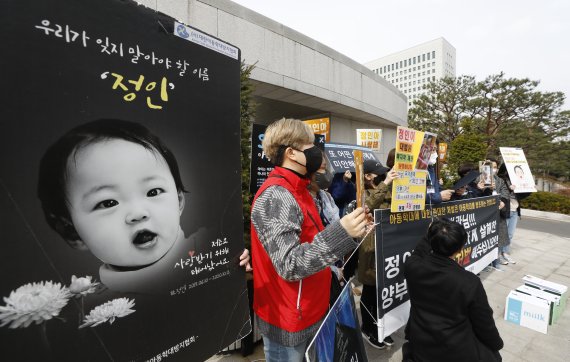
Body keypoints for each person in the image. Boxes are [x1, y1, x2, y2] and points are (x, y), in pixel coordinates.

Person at [37, 119, 250, 294]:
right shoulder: (91, 308)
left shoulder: (212, 246)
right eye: (108, 203)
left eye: (153, 192)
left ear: (179, 201)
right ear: (71, 231)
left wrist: (245, 260)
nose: (138, 214)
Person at [250, 118, 369, 361]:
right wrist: (342, 232)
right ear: (291, 153)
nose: (318, 153)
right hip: (289, 319)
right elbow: (290, 264)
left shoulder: (302, 191)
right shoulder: (277, 195)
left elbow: (317, 244)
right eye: (310, 146)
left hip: (312, 308)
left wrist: (354, 233)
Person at [403, 218, 504, 362]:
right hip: (454, 348)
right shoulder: (468, 281)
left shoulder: (413, 266)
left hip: (420, 342)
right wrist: (496, 344)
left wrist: (430, 234)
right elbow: (483, 322)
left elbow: (418, 252)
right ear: (460, 249)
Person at [358, 159, 399, 349]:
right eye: (378, 173)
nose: (382, 175)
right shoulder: (362, 192)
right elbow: (368, 205)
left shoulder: (384, 188)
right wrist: (386, 183)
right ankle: (367, 328)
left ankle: (380, 327)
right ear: (367, 176)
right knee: (370, 289)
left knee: (383, 290)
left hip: (388, 244)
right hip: (371, 246)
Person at [497, 164, 531, 264]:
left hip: (515, 210)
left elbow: (521, 196)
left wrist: (529, 189)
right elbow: (500, 193)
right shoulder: (501, 179)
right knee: (503, 234)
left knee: (510, 234)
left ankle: (505, 253)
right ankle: (498, 255)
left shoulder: (517, 180)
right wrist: (509, 189)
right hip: (505, 210)